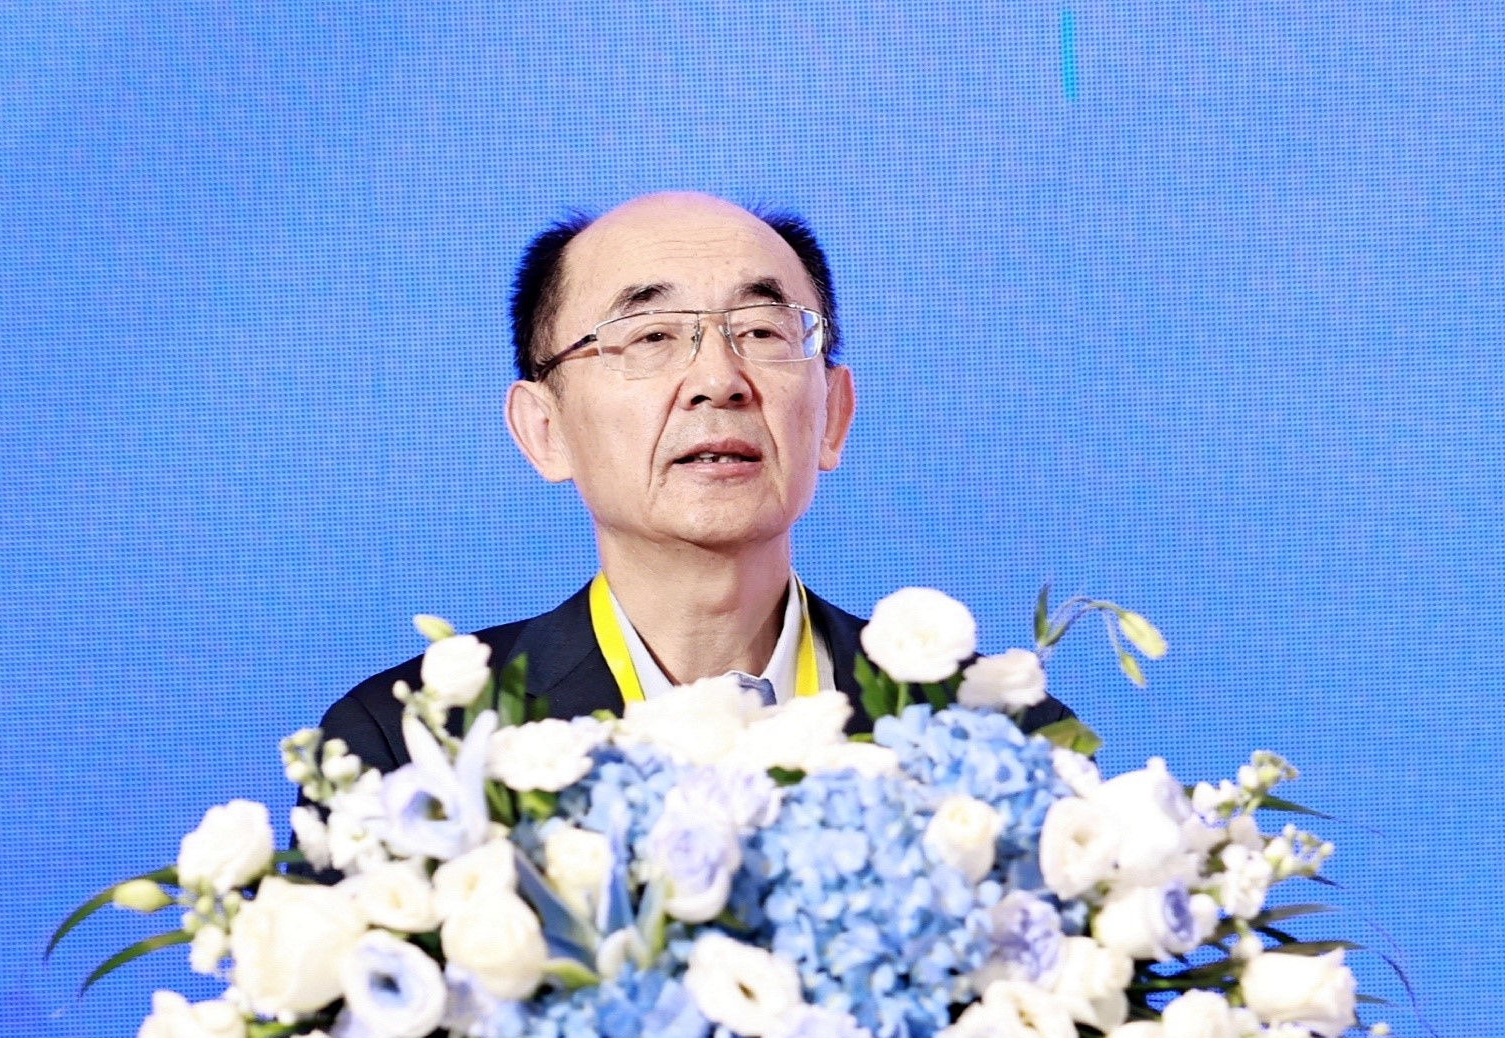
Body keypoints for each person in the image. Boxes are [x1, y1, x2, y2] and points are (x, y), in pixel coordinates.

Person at [316, 191, 1070, 770]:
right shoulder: (411, 747)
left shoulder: (1000, 737)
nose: (718, 379)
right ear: (544, 429)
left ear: (833, 415)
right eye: (650, 336)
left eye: (763, 332)